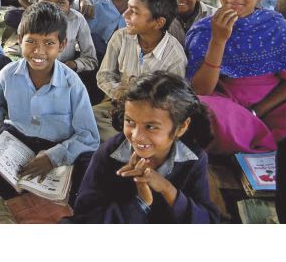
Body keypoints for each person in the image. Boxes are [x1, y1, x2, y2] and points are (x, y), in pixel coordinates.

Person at [0, 1, 100, 205]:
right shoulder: (8, 74)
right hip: (18, 139)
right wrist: (1, 129)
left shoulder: (72, 83)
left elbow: (89, 136)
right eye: (31, 42)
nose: (39, 51)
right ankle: (29, 190)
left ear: (62, 45)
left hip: (57, 145)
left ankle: (34, 190)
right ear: (20, 40)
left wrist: (52, 157)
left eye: (49, 43)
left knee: (89, 172)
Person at [64, 71, 219, 224]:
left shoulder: (194, 159)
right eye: (130, 122)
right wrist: (141, 202)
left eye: (151, 127)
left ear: (181, 127)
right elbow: (85, 217)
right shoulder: (109, 153)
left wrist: (167, 189)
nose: (137, 136)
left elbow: (206, 221)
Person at [186, 0, 286, 154]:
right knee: (202, 112)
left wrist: (257, 111)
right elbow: (201, 90)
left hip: (270, 105)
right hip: (225, 107)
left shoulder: (277, 27)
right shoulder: (203, 30)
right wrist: (218, 40)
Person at [97, 0, 185, 104]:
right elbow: (104, 75)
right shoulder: (120, 37)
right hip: (117, 102)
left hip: (151, 115)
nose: (125, 15)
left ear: (159, 23)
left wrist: (137, 97)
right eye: (128, 8)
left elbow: (171, 100)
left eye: (134, 12)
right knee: (87, 120)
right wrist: (119, 92)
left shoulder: (175, 58)